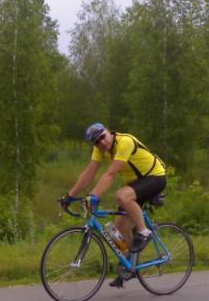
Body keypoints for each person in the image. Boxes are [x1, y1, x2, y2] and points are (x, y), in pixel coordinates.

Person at [60, 123, 167, 287]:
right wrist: (70, 195)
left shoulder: (125, 142)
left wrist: (93, 196)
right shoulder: (100, 149)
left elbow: (110, 174)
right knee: (118, 229)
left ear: (109, 132)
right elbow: (90, 173)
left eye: (102, 137)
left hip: (155, 177)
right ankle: (131, 266)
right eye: (96, 142)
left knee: (122, 195)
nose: (101, 143)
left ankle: (144, 231)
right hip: (136, 184)